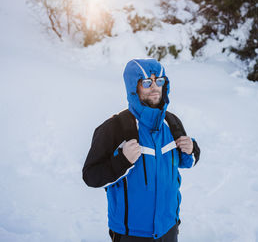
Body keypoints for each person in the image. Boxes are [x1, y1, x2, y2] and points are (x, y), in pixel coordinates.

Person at [82, 58, 200, 241]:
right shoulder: (115, 128)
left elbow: (186, 161)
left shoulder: (172, 122)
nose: (154, 87)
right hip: (131, 234)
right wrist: (122, 161)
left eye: (159, 81)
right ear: (133, 88)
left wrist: (192, 150)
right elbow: (91, 176)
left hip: (169, 227)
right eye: (146, 82)